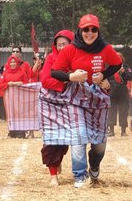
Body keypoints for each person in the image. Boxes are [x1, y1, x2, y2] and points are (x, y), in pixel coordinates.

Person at [51, 14, 122, 188]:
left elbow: (117, 64)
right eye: (86, 30)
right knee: (79, 136)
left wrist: (103, 76)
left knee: (99, 144)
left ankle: (95, 166)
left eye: (93, 29)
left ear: (98, 31)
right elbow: (55, 72)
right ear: (80, 30)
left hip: (98, 99)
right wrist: (71, 76)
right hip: (77, 98)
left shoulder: (105, 48)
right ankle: (80, 175)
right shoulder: (71, 49)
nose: (89, 33)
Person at [39, 29, 73, 186]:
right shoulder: (51, 58)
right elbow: (45, 80)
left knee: (64, 139)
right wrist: (65, 81)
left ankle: (58, 161)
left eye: (64, 44)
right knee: (52, 140)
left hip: (69, 103)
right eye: (58, 45)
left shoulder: (76, 58)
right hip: (51, 103)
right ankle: (53, 175)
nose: (61, 48)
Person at [0, 56, 29, 138]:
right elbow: (0, 85)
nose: (12, 64)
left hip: (20, 97)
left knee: (19, 113)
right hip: (9, 98)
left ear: (17, 63)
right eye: (11, 62)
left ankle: (21, 132)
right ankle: (12, 132)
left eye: (14, 62)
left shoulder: (22, 73)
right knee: (11, 113)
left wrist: (21, 83)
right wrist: (8, 84)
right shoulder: (5, 73)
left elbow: (27, 84)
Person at [107, 52, 132, 136]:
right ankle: (111, 130)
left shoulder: (125, 67)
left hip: (122, 90)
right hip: (112, 89)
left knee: (124, 110)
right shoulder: (109, 67)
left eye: (119, 58)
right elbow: (105, 77)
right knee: (111, 110)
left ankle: (123, 131)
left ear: (122, 59)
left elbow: (130, 77)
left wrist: (123, 72)